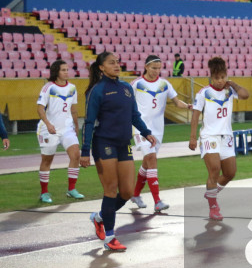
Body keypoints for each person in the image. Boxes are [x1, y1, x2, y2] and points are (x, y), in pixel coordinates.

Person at [81, 52, 156, 252]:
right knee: (110, 189)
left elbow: (134, 115)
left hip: (124, 144)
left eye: (117, 62)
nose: (116, 65)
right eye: (111, 63)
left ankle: (99, 218)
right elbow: (88, 123)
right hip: (103, 143)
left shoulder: (126, 88)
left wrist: (146, 132)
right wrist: (85, 151)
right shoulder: (96, 91)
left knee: (127, 192)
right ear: (101, 68)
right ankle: (110, 237)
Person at [189, 56, 250, 221]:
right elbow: (195, 116)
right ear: (211, 77)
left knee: (230, 173)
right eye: (216, 78)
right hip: (210, 135)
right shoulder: (204, 93)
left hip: (227, 136)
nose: (220, 81)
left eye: (223, 77)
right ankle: (213, 207)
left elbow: (245, 95)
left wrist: (234, 84)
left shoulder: (230, 90)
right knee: (214, 169)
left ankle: (211, 193)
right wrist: (193, 137)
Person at [129, 55, 192, 212]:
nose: (156, 71)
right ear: (146, 66)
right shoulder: (137, 84)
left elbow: (177, 102)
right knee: (151, 159)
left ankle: (135, 194)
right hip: (140, 128)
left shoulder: (165, 84)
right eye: (153, 68)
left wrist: (188, 106)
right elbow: (126, 103)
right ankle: (157, 201)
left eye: (159, 68)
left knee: (147, 163)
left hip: (158, 129)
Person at [36, 60, 84, 203]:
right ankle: (44, 192)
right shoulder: (48, 87)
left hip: (67, 128)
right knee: (47, 160)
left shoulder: (72, 88)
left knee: (75, 155)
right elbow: (40, 108)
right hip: (48, 129)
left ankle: (71, 189)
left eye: (67, 69)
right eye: (63, 70)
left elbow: (73, 109)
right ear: (56, 72)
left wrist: (76, 126)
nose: (66, 72)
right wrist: (48, 124)